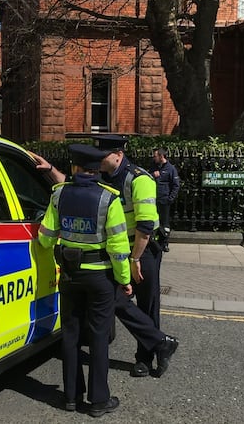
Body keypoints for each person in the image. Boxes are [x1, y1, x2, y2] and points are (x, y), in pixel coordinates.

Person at [32, 139, 179, 378]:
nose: (98, 159)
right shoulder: (101, 176)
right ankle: (161, 343)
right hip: (115, 251)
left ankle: (145, 358)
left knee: (147, 303)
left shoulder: (139, 179)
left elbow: (146, 226)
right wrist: (50, 169)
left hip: (141, 250)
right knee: (116, 300)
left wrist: (135, 259)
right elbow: (73, 185)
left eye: (103, 154)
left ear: (118, 154)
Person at [36, 143, 132, 418]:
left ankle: (71, 396)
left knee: (71, 334)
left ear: (75, 167)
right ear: (98, 168)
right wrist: (124, 279)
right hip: (100, 277)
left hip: (69, 274)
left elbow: (45, 238)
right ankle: (99, 401)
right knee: (99, 336)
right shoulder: (109, 198)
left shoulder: (59, 194)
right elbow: (118, 247)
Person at [152, 147, 181, 252]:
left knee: (165, 223)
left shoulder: (170, 168)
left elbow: (176, 185)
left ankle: (164, 243)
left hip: (164, 200)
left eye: (155, 156)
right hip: (154, 199)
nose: (153, 158)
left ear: (161, 156)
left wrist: (170, 199)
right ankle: (154, 242)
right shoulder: (153, 167)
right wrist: (153, 175)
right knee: (154, 222)